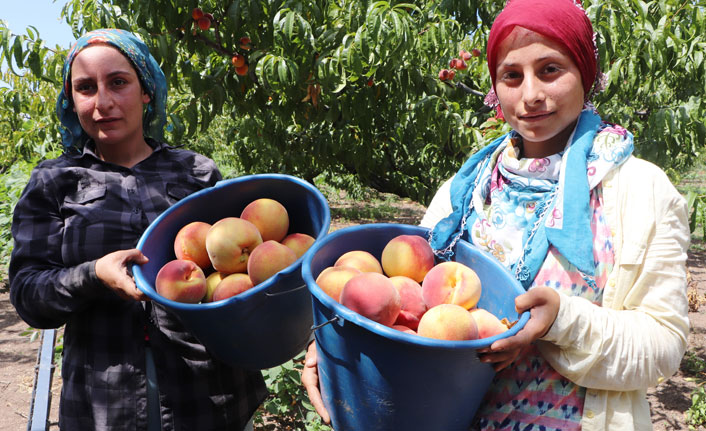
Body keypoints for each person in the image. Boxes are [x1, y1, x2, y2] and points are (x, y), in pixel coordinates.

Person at [302, 0, 690, 429]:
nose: (530, 95)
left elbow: (663, 345)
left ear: (585, 73)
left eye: (550, 70)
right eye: (511, 75)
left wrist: (560, 322)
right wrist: (340, 334)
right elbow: (409, 298)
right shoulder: (466, 189)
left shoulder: (641, 191)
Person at [9, 29, 267, 431]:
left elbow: (243, 271)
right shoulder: (54, 181)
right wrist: (92, 275)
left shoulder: (196, 173)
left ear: (146, 91)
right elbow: (27, 293)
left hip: (209, 398)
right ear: (72, 100)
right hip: (105, 404)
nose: (103, 102)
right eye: (85, 88)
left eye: (118, 82)